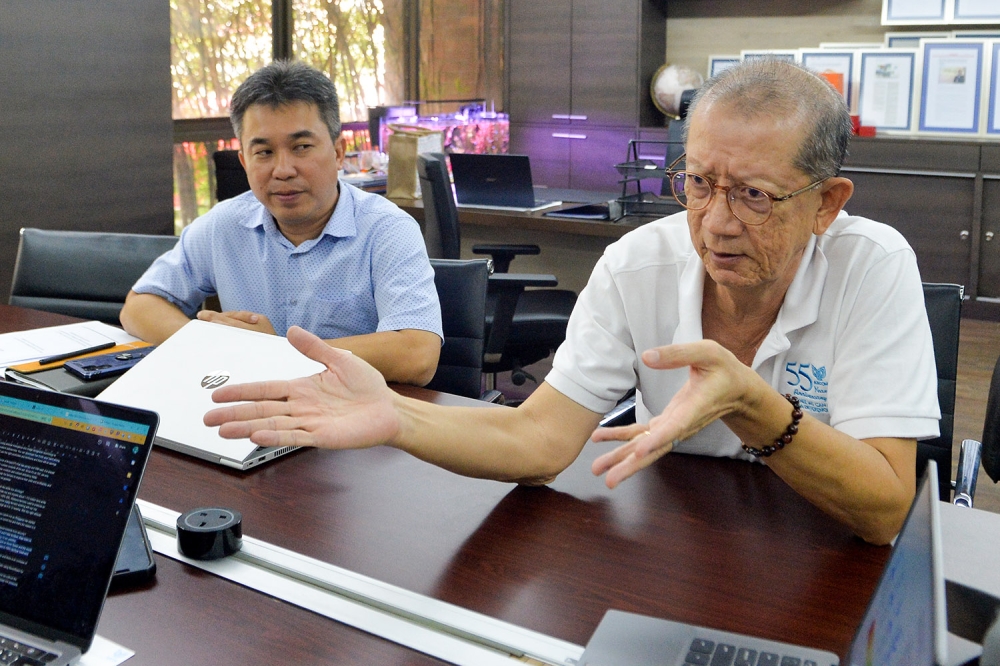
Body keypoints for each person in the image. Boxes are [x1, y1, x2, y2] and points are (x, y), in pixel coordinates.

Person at [203, 59, 940, 545]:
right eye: (700, 182)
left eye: (754, 195)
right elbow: (537, 445)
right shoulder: (635, 265)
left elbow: (883, 511)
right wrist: (402, 418)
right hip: (676, 537)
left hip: (826, 552)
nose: (716, 222)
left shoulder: (871, 267)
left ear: (826, 204)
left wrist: (752, 404)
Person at [120, 61, 443, 386]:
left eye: (301, 147)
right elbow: (139, 307)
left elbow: (417, 354)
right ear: (245, 162)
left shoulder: (386, 229)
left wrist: (275, 353)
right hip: (249, 412)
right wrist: (209, 345)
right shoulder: (225, 224)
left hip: (354, 415)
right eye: (264, 152)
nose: (283, 169)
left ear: (338, 151)